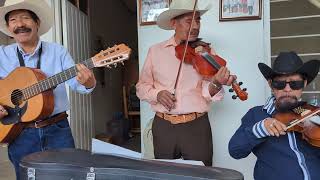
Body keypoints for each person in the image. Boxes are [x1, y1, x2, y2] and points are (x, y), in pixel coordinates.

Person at [0, 0, 96, 178]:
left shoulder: (58, 52)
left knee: (66, 176)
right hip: (19, 133)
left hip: (57, 130)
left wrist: (87, 82)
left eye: (25, 18)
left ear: (37, 23)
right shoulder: (2, 54)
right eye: (13, 20)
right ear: (8, 26)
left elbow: (78, 84)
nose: (20, 24)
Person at [136, 0, 236, 166]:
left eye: (198, 20)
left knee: (202, 176)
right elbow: (141, 87)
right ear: (173, 23)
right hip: (163, 126)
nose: (196, 26)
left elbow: (207, 91)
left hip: (196, 126)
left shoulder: (205, 52)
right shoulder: (156, 51)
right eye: (189, 21)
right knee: (165, 175)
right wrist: (157, 94)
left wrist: (217, 83)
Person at [228, 51, 320, 180]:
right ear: (271, 84)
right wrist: (260, 129)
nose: (287, 90)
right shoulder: (256, 114)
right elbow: (235, 150)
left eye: (295, 84)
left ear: (304, 84)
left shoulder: (312, 112)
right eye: (280, 84)